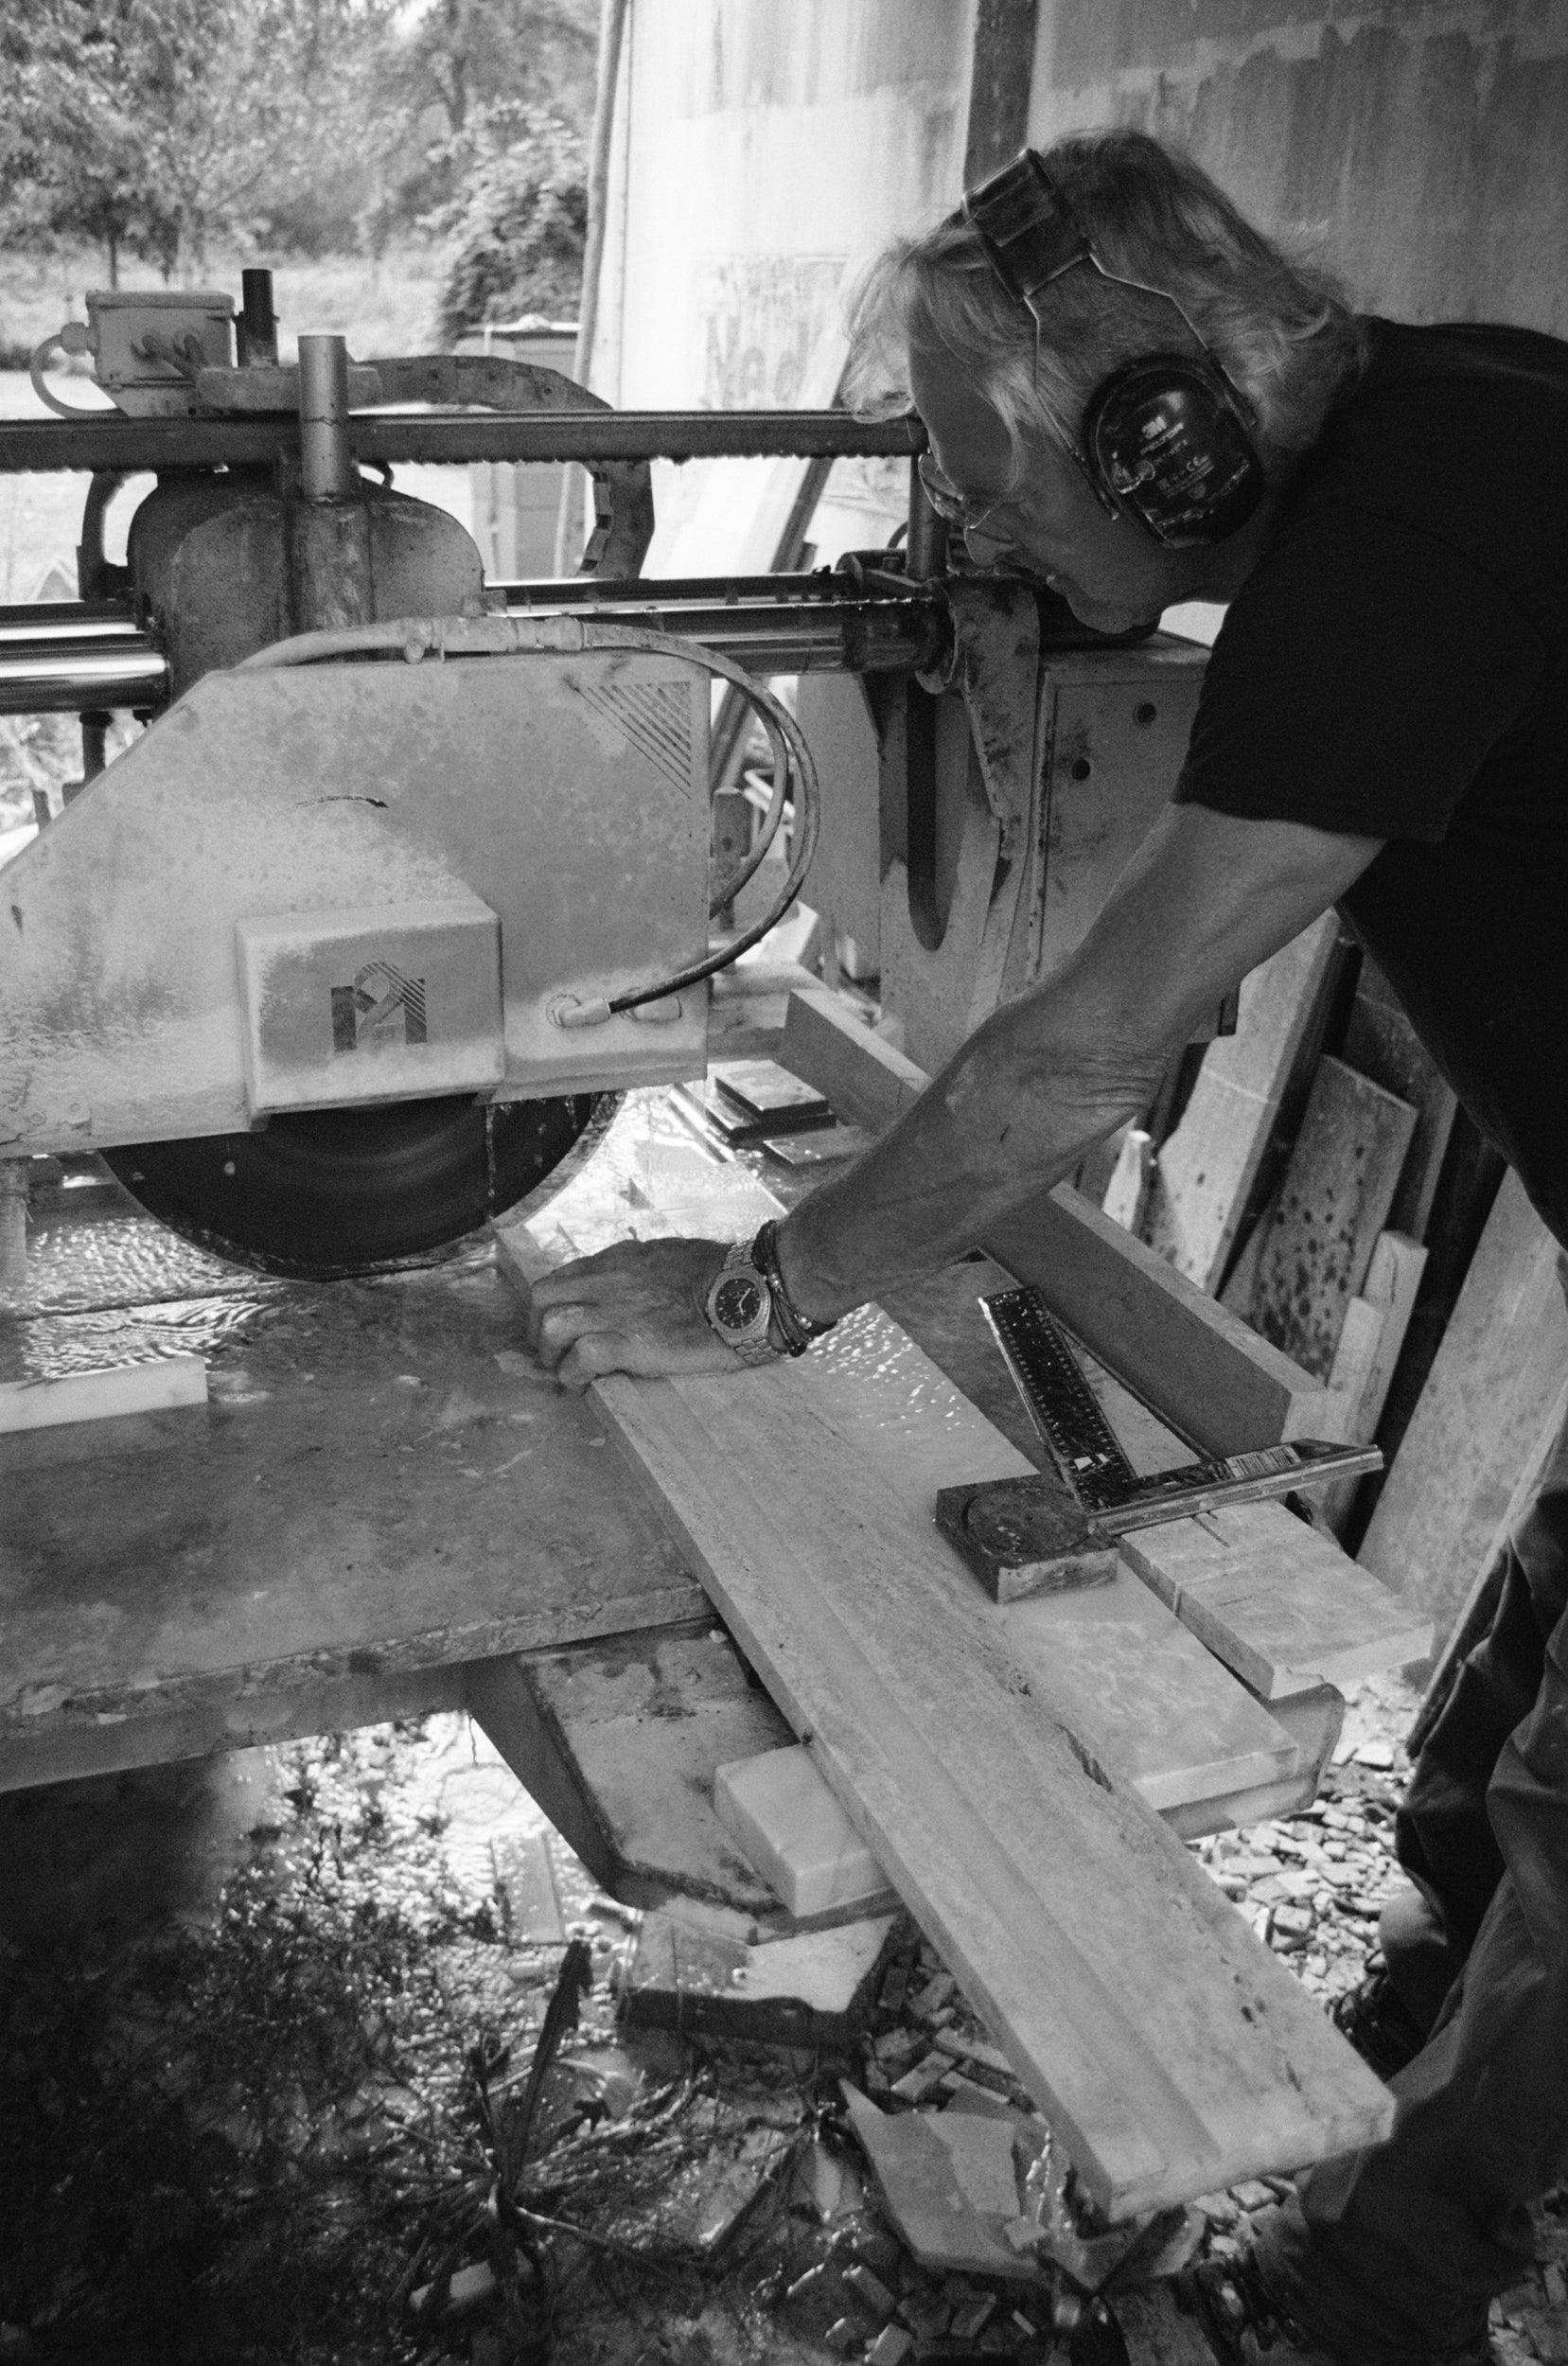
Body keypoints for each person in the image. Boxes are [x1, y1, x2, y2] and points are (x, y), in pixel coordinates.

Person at [527, 129, 1568, 2364]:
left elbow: (1092, 1044)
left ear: (1159, 427)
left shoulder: (1388, 562)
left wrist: (761, 1288)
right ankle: (1412, 2034)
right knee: (1513, 1702)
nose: (967, 521)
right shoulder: (1455, 411)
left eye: (983, 465)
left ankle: (1363, 2302)